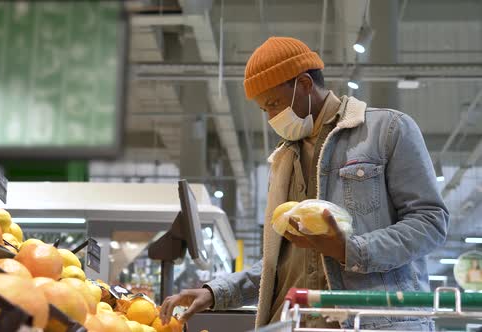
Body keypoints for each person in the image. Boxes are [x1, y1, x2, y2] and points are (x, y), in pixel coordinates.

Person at [158, 37, 449, 330]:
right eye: (265, 110)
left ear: (305, 85)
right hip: (296, 324)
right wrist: (215, 292)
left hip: (372, 322)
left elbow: (430, 222)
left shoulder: (387, 130)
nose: (272, 118)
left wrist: (351, 250)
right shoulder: (283, 161)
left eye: (274, 104)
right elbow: (282, 265)